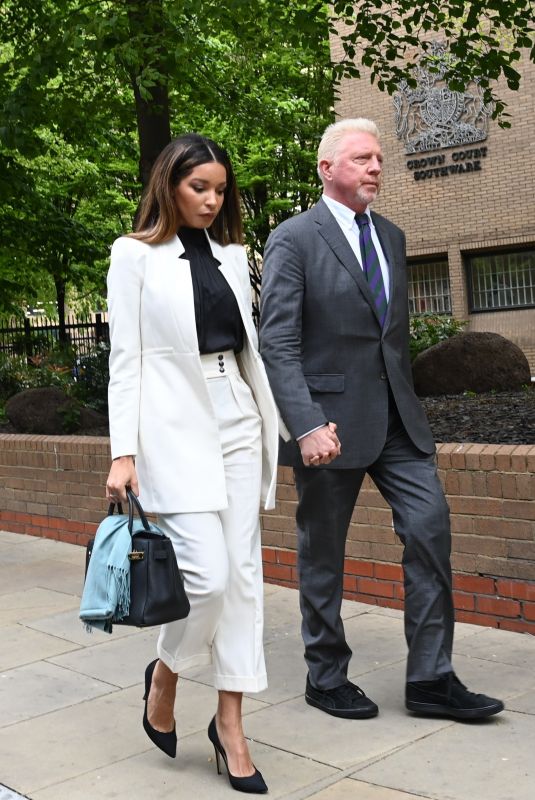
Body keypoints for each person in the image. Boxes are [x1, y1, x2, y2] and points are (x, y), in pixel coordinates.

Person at [259, 118, 504, 722]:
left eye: (379, 160)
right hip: (328, 426)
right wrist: (306, 422)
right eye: (362, 159)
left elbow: (390, 337)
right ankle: (327, 675)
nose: (375, 168)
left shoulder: (391, 236)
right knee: (324, 552)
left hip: (399, 418)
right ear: (326, 168)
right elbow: (278, 343)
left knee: (430, 531)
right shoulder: (294, 238)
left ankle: (431, 680)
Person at [105, 133, 287, 794]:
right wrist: (122, 452)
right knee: (206, 578)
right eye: (197, 187)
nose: (211, 200)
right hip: (172, 427)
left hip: (237, 416)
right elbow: (124, 359)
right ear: (169, 186)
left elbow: (247, 348)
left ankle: (230, 725)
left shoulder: (234, 257)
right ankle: (168, 673)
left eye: (218, 189)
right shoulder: (133, 257)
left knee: (241, 579)